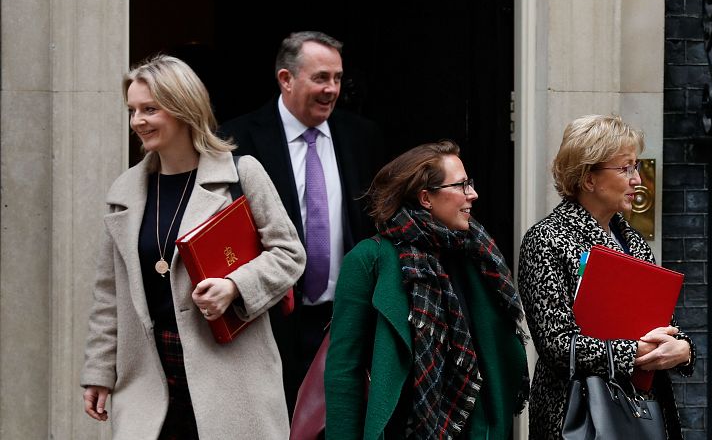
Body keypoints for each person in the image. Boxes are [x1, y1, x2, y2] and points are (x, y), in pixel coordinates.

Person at [80, 55, 306, 439]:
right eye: (133, 110)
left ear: (184, 107)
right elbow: (109, 296)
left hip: (233, 382)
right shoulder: (125, 192)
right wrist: (99, 372)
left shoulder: (241, 173)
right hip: (150, 383)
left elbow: (289, 254)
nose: (137, 121)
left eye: (150, 109)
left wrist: (236, 286)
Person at [219, 31, 384, 413]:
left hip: (347, 318)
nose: (332, 89)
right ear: (285, 79)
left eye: (338, 78)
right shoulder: (235, 139)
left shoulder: (362, 137)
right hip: (271, 322)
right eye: (321, 78)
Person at [325, 140, 529, 439]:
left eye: (469, 183)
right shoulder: (369, 260)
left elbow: (492, 357)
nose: (473, 194)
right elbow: (344, 372)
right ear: (425, 198)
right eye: (461, 185)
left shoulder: (477, 254)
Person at [517, 114, 695, 440]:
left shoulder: (634, 242)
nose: (638, 179)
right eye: (625, 168)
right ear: (589, 179)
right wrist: (635, 353)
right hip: (576, 416)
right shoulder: (546, 239)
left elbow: (659, 324)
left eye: (636, 166)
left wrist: (683, 350)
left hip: (642, 414)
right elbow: (557, 346)